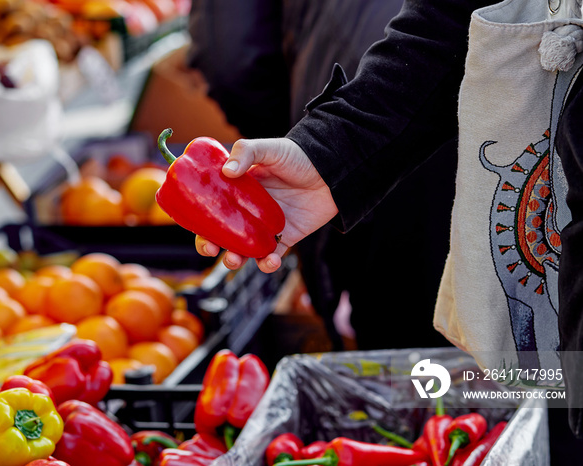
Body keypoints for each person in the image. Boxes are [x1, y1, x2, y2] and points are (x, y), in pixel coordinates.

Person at [189, 0, 583, 457]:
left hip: (456, 191)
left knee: (437, 393)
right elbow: (447, 24)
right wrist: (327, 153)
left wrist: (300, 126)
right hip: (498, 196)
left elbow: (231, 54)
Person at [187, 0, 454, 350]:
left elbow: (231, 60)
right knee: (517, 358)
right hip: (496, 139)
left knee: (405, 368)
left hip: (369, 135)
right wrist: (317, 152)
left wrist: (302, 141)